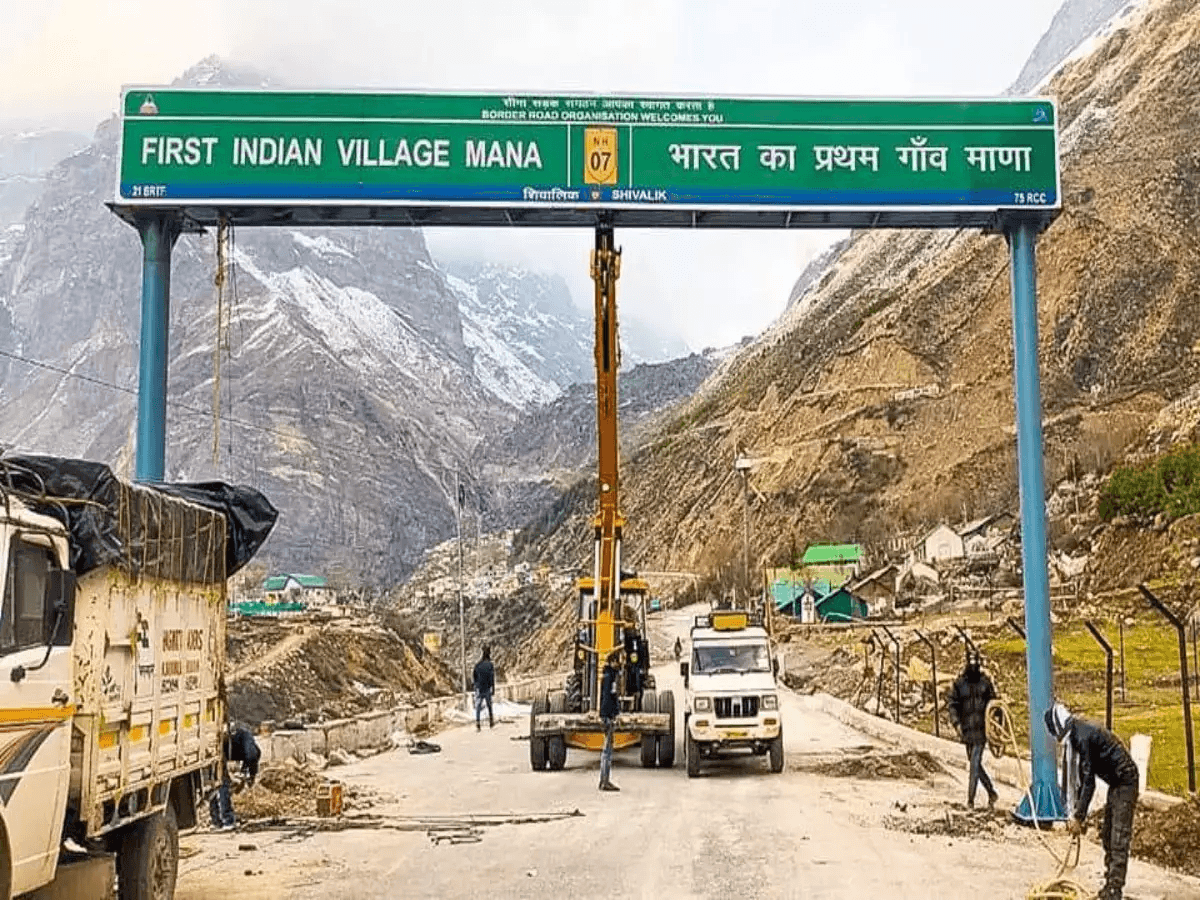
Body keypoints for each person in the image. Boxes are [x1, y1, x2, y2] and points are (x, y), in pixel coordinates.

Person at [1045, 702, 1139, 900]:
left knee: (1118, 837)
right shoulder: (1078, 731)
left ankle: (1114, 889)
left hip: (1125, 780)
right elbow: (1082, 778)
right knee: (1107, 835)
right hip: (1117, 782)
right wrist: (1078, 812)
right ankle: (1110, 883)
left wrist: (1079, 817)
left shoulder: (1081, 737)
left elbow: (1089, 782)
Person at [947, 651, 999, 810]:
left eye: (976, 661)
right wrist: (956, 723)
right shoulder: (959, 684)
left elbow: (994, 704)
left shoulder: (985, 683)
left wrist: (996, 721)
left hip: (982, 731)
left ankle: (970, 800)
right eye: (971, 661)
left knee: (974, 763)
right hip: (967, 731)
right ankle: (991, 792)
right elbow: (953, 704)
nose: (973, 665)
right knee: (975, 765)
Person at [209, 723, 261, 830]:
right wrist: (248, 777)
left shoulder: (247, 744)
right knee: (222, 783)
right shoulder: (250, 750)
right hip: (220, 748)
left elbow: (249, 761)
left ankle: (216, 820)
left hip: (217, 746)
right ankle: (227, 820)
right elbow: (250, 757)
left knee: (214, 783)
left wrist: (245, 775)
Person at [598, 650, 621, 792]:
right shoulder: (610, 677)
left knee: (606, 751)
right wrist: (611, 715)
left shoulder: (607, 675)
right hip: (608, 716)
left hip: (605, 715)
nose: (619, 664)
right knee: (607, 751)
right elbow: (608, 698)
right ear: (613, 662)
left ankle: (603, 780)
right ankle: (605, 781)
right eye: (617, 661)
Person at [473, 645, 495, 731]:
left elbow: (474, 676)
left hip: (479, 688)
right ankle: (491, 721)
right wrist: (493, 688)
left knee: (478, 707)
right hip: (487, 688)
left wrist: (476, 686)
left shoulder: (477, 665)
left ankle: (478, 723)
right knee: (489, 705)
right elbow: (492, 678)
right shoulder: (490, 665)